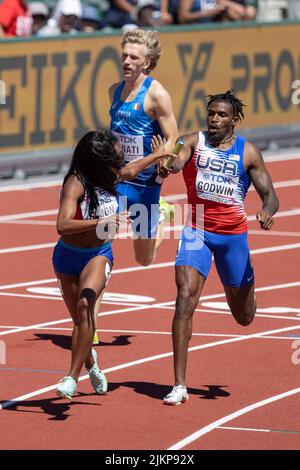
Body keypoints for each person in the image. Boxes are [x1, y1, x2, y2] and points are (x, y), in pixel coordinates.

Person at [162, 90, 279, 405]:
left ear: (234, 119)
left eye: (221, 115)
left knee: (244, 317)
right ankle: (179, 385)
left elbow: (271, 195)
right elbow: (175, 161)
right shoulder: (190, 141)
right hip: (196, 230)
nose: (214, 119)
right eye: (211, 113)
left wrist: (267, 211)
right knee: (184, 299)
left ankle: (249, 289)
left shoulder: (248, 152)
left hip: (233, 238)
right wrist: (167, 160)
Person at [53, 129, 172, 399]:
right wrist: (100, 222)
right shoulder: (76, 183)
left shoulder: (110, 175)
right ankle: (92, 363)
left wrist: (156, 156)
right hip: (66, 257)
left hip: (98, 254)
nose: (118, 164)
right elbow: (62, 225)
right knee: (79, 322)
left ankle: (71, 378)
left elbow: (130, 171)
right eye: (113, 159)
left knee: (86, 308)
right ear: (97, 161)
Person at [109, 29, 178, 267]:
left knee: (144, 259)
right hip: (118, 178)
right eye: (124, 56)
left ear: (147, 62)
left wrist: (163, 163)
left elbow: (173, 138)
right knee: (102, 230)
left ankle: (160, 215)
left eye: (134, 58)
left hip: (146, 183)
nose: (127, 61)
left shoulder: (157, 94)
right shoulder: (114, 91)